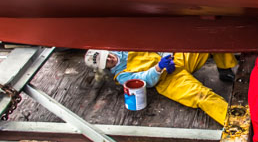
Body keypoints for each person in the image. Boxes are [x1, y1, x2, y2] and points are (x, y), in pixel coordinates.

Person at [84, 50, 237, 125]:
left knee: (211, 40)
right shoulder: (122, 76)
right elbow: (146, 80)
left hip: (174, 59)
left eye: (107, 56)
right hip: (167, 80)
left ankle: (225, 69)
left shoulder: (123, 47)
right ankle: (235, 122)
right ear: (105, 67)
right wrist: (158, 68)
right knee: (202, 97)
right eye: (107, 62)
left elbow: (154, 42)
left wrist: (167, 54)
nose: (110, 59)